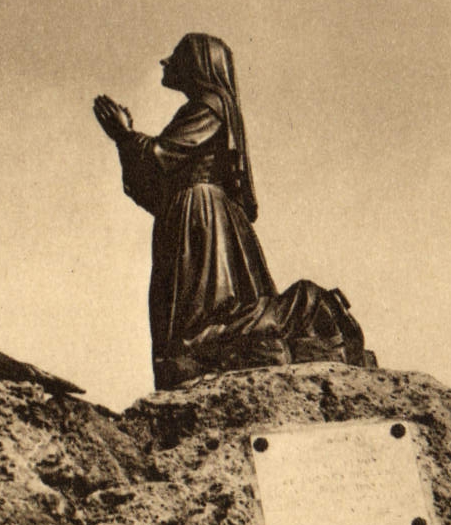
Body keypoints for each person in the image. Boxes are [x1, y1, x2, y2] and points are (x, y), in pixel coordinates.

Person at [94, 34, 370, 387]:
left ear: (198, 64)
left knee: (199, 325)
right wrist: (126, 142)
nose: (165, 62)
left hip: (201, 218)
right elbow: (155, 188)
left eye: (176, 56)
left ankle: (307, 304)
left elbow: (161, 156)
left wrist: (125, 135)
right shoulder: (206, 108)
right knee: (196, 324)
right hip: (197, 214)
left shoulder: (208, 106)